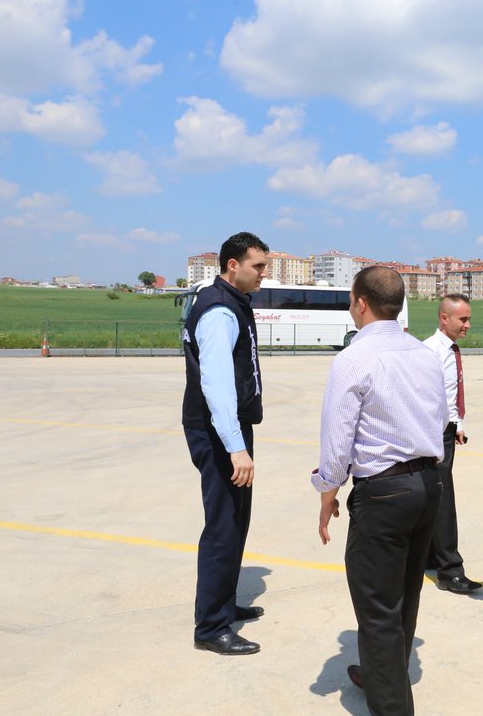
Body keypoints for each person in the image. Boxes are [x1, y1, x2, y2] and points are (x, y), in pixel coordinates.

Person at [312, 267, 447, 716]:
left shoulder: (354, 358)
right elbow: (439, 419)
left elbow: (337, 440)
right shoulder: (423, 354)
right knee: (405, 593)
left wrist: (327, 492)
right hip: (428, 484)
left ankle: (390, 705)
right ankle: (378, 672)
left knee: (377, 604)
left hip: (385, 492)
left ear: (361, 302)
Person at [181, 231, 270, 656]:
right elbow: (216, 384)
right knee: (223, 526)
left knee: (235, 520)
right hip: (219, 431)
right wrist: (235, 447)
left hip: (227, 428)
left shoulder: (230, 301)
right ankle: (211, 627)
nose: (264, 274)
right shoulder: (219, 310)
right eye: (258, 266)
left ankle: (223, 604)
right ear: (233, 265)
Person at [423, 293, 483, 594]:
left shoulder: (451, 350)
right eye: (463, 319)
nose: (468, 325)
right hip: (432, 433)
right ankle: (450, 571)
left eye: (469, 319)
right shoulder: (429, 351)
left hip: (446, 430)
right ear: (444, 319)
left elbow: (449, 393)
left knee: (435, 495)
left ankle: (430, 557)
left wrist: (457, 424)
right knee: (444, 499)